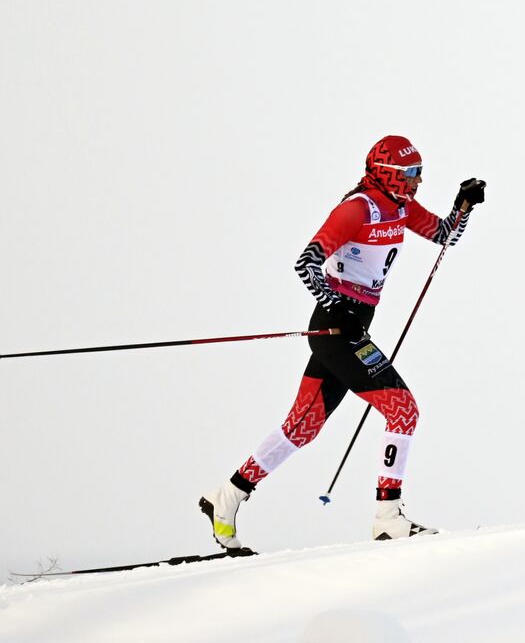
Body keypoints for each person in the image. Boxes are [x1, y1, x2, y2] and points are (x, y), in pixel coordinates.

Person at [199, 135, 486, 548]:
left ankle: (225, 497)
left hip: (350, 329)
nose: (416, 181)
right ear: (385, 173)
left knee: (303, 425)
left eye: (419, 173)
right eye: (409, 173)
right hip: (335, 328)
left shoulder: (399, 207)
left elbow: (444, 236)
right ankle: (388, 516)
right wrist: (339, 308)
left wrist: (463, 206)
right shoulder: (357, 209)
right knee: (402, 409)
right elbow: (306, 263)